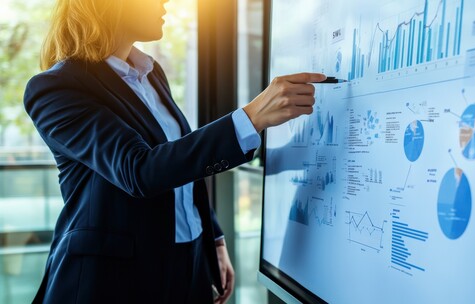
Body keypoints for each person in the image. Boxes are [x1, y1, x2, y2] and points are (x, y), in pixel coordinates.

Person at [23, 0, 326, 303]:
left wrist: (214, 238)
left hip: (188, 261)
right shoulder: (56, 88)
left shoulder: (151, 74)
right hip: (111, 280)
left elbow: (180, 162)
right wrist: (251, 117)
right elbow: (138, 170)